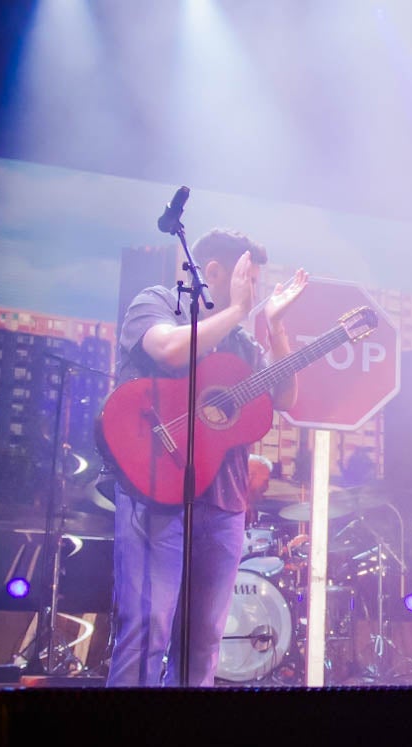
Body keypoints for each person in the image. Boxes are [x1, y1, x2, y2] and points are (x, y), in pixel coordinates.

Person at [107, 227, 308, 687]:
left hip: (223, 504)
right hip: (158, 492)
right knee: (148, 629)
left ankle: (185, 744)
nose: (252, 292)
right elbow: (170, 350)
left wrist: (275, 328)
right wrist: (238, 309)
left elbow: (284, 395)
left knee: (205, 638)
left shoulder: (241, 343)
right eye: (246, 280)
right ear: (213, 271)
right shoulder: (158, 304)